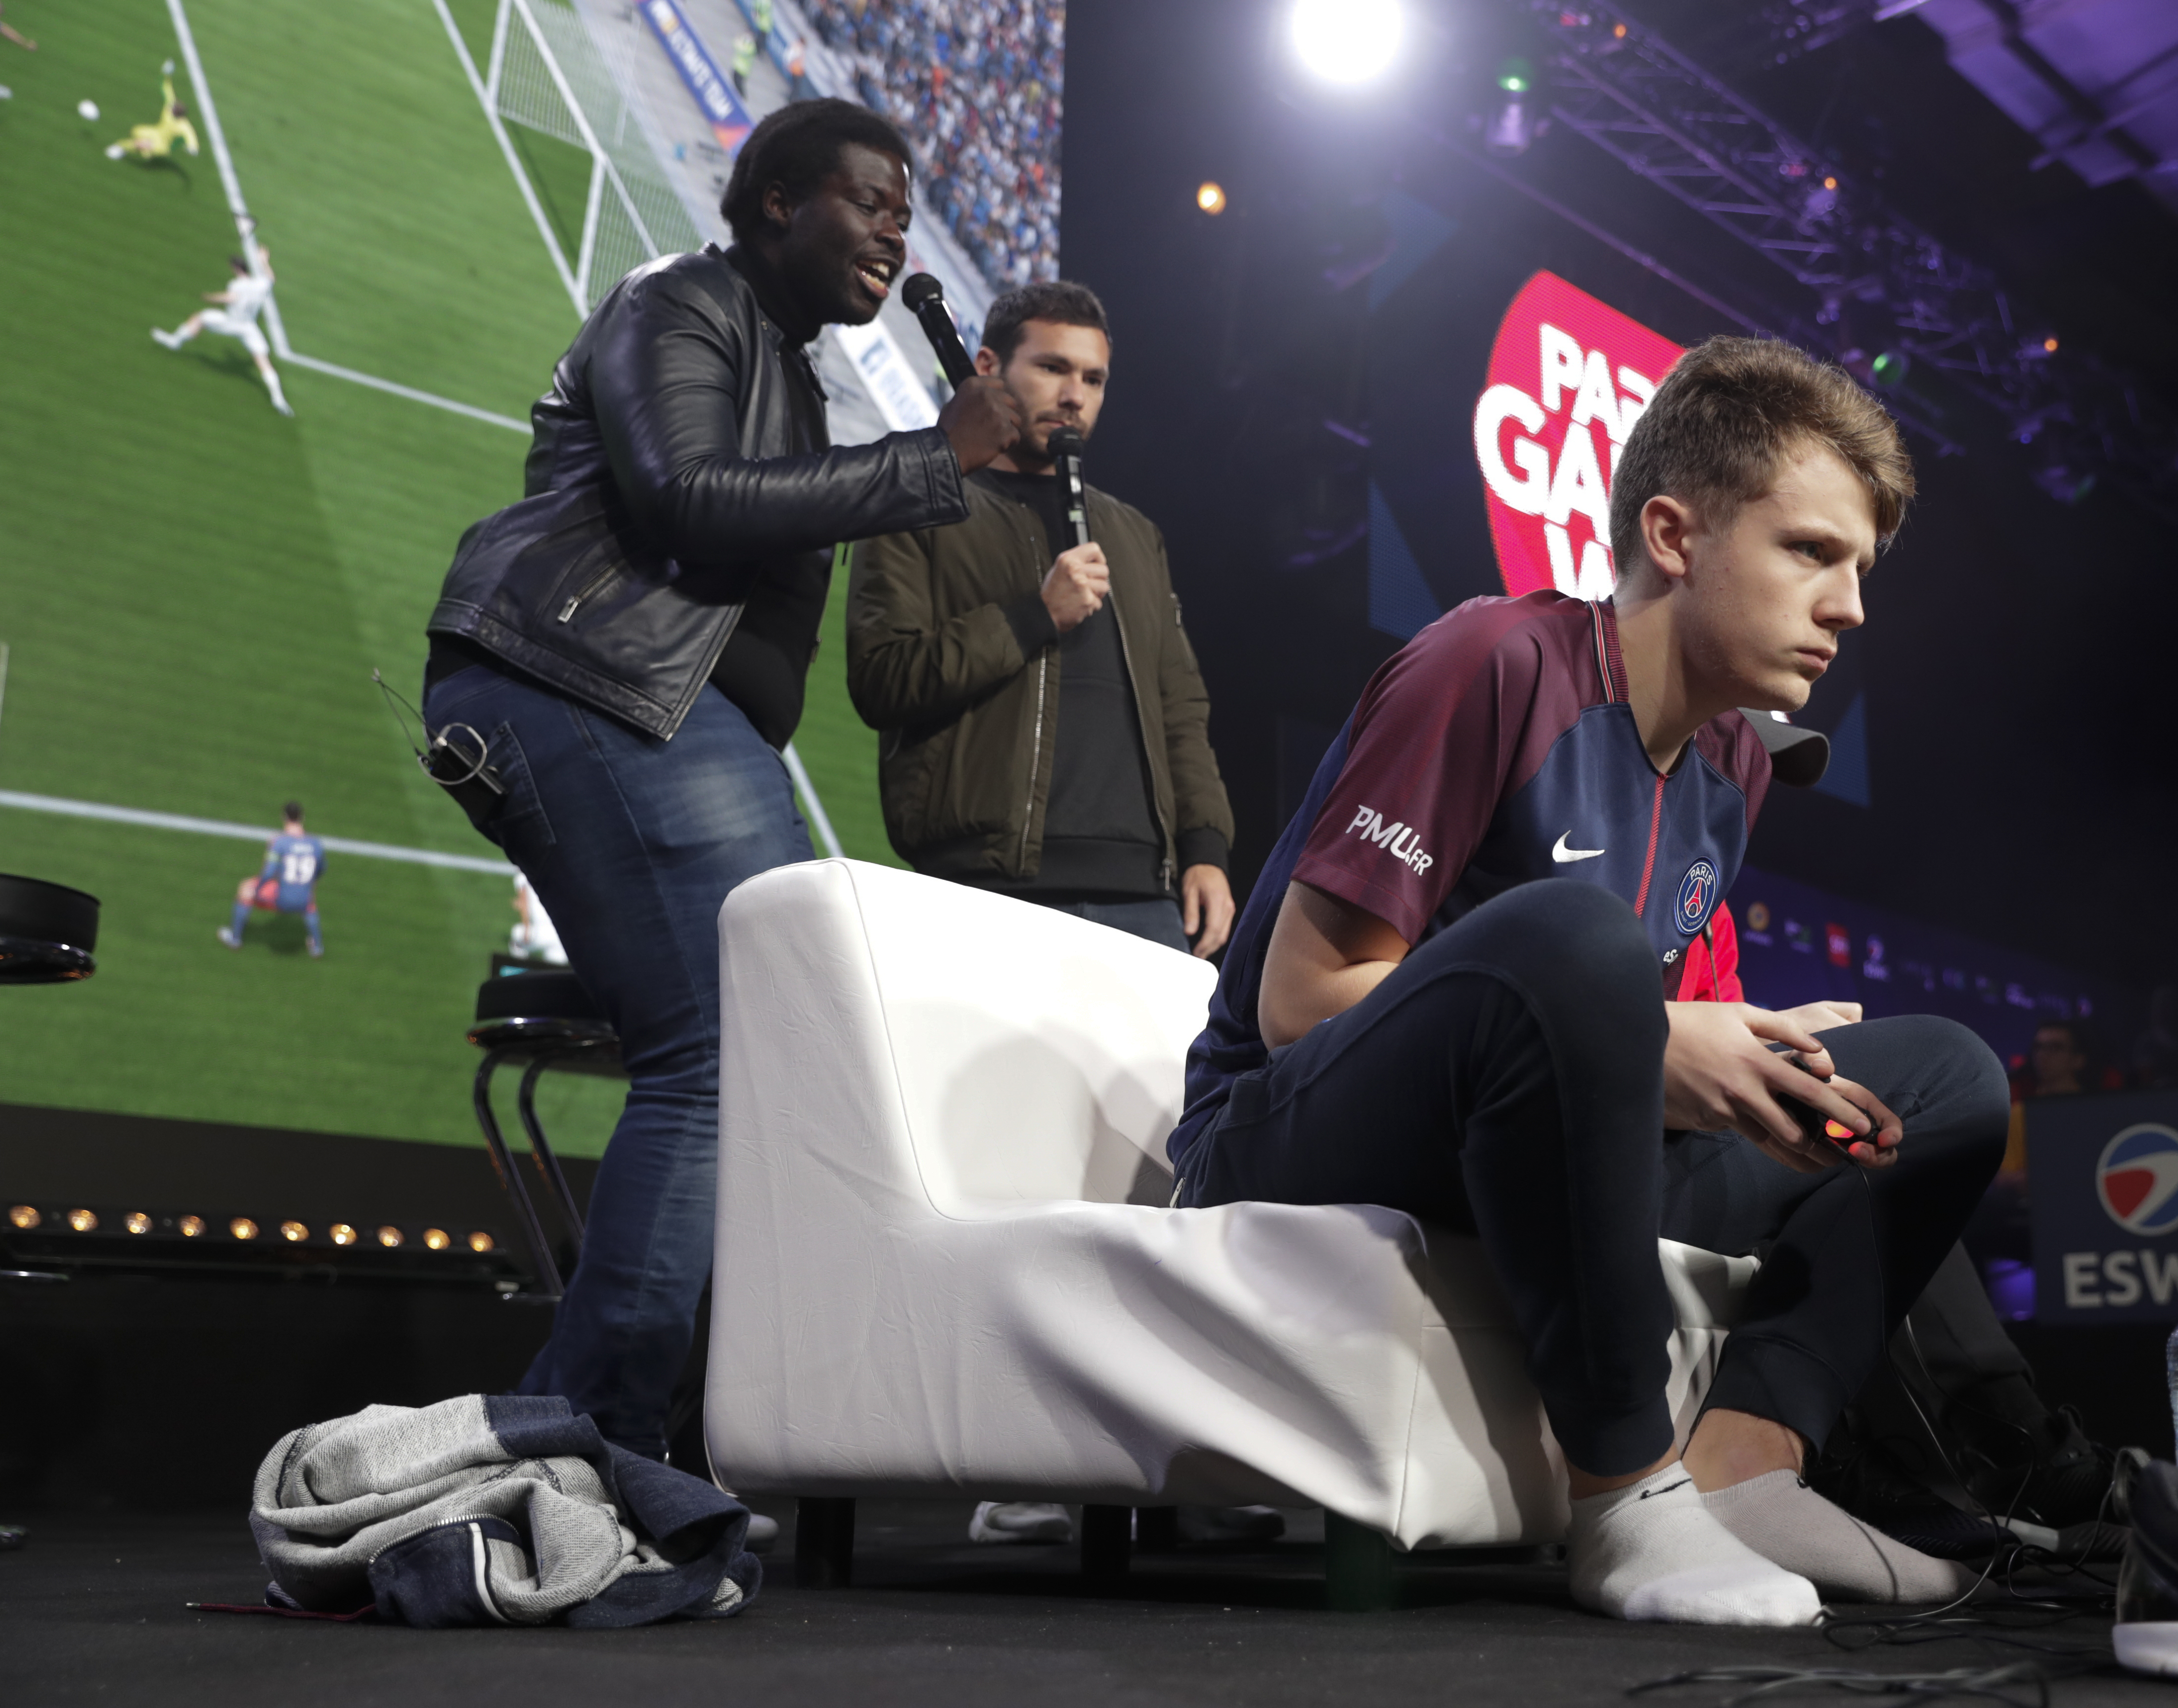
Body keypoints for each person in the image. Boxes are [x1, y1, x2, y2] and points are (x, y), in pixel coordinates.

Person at [1172, 336, 2012, 1623]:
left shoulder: (1734, 766)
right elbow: (1301, 1007)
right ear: (1672, 533)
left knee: (1945, 1077)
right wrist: (1651, 1033)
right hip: (1281, 1131)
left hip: (1528, 1130)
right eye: (1809, 551)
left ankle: (1747, 1457)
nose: (1849, 606)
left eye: (1856, 567)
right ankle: (1625, 1494)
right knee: (1574, 941)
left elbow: (1612, 1046)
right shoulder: (1492, 659)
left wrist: (1719, 1066)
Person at [417, 98, 1024, 1460]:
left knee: (757, 1066)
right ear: (775, 204)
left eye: (907, 205)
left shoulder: (796, 374)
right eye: (871, 200)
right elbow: (685, 492)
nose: (897, 226)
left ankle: (625, 1434)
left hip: (679, 723)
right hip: (586, 686)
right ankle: (585, 1445)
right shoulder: (679, 299)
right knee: (718, 1059)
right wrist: (936, 457)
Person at [851, 279, 1237, 961]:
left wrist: (1205, 848)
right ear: (990, 368)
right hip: (987, 887)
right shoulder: (920, 505)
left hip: (1144, 900)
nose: (1074, 395)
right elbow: (882, 679)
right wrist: (1034, 615)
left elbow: (1181, 710)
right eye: (1052, 367)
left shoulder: (1134, 532)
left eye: (1093, 378)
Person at [152, 249, 292, 415]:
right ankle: (278, 399)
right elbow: (271, 279)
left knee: (199, 318)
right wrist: (264, 261)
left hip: (231, 322)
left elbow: (231, 298)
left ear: (236, 269)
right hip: (249, 327)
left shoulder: (237, 284)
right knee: (263, 361)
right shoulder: (261, 284)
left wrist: (211, 298)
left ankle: (175, 342)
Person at [219, 803, 325, 956]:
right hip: (304, 901)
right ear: (303, 818)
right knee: (309, 901)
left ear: (284, 817)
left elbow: (269, 873)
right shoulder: (316, 844)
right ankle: (317, 947)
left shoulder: (279, 842)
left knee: (246, 888)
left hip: (281, 901)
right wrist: (312, 885)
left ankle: (235, 939)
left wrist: (257, 888)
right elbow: (321, 869)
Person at [106, 65, 199, 162]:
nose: (172, 110)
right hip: (155, 132)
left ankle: (120, 148)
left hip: (162, 146)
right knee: (135, 130)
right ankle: (145, 152)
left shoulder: (184, 126)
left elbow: (192, 138)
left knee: (141, 144)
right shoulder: (170, 106)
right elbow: (166, 87)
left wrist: (192, 149)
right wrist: (167, 74)